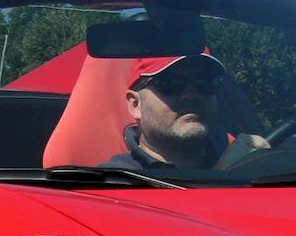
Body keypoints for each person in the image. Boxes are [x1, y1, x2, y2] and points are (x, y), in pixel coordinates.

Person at [104, 53, 269, 171]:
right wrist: (223, 178)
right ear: (135, 104)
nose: (192, 95)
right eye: (170, 83)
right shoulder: (114, 181)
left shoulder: (245, 156)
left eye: (205, 82)